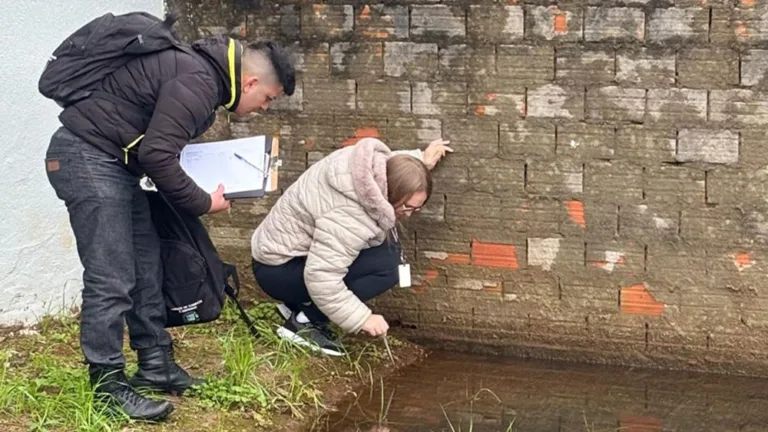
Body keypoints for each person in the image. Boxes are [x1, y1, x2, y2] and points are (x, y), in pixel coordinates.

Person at [44, 34, 295, 420]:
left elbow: (157, 146)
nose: (263, 108)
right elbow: (158, 156)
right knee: (110, 277)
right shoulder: (198, 80)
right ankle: (108, 388)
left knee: (146, 267)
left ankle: (156, 365)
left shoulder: (200, 76)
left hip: (115, 166)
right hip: (86, 159)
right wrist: (203, 202)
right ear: (250, 83)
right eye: (267, 99)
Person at [251, 137, 453, 356]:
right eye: (408, 207)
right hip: (278, 271)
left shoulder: (362, 168)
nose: (410, 214)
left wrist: (420, 160)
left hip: (287, 254)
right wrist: (362, 318)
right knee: (388, 268)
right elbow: (322, 276)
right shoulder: (350, 216)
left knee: (384, 254)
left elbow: (391, 165)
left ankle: (299, 304)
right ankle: (304, 322)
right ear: (392, 194)